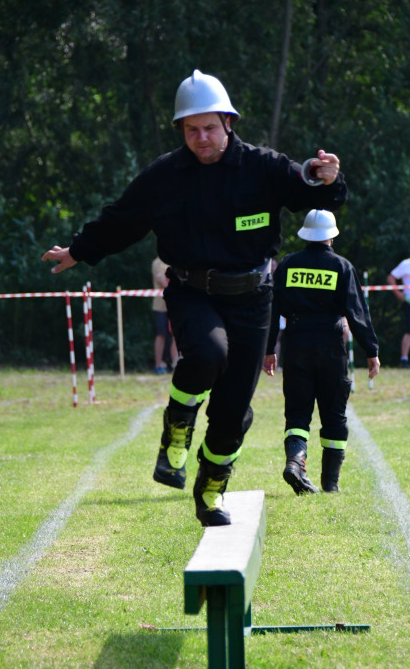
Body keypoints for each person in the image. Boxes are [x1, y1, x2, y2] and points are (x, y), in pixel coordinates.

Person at [42, 69, 347, 526]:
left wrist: (328, 178)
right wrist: (78, 251)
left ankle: (210, 490)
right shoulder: (164, 176)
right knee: (207, 352)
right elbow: (122, 220)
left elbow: (315, 192)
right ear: (181, 130)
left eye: (208, 127)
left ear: (228, 122)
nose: (201, 138)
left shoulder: (263, 167)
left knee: (231, 412)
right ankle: (176, 429)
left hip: (253, 298)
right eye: (191, 129)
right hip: (191, 291)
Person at [263, 210, 380, 494]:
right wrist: (371, 350)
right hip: (331, 345)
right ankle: (330, 483)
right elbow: (357, 312)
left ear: (305, 234)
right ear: (331, 235)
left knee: (297, 414)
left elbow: (272, 308)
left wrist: (268, 350)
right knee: (334, 413)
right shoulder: (341, 266)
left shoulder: (289, 264)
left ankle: (295, 462)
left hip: (296, 344)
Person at [151, 256, 178, 374]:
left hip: (175, 306)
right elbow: (163, 282)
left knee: (176, 335)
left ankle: (175, 364)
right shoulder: (157, 263)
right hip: (161, 306)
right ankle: (158, 366)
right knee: (161, 334)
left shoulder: (175, 261)